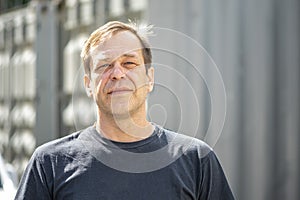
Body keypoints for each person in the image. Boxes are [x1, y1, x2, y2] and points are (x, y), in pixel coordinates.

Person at [15, 21, 234, 200]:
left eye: (129, 63)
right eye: (104, 65)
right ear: (88, 84)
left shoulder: (196, 159)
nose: (117, 73)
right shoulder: (49, 163)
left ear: (150, 79)